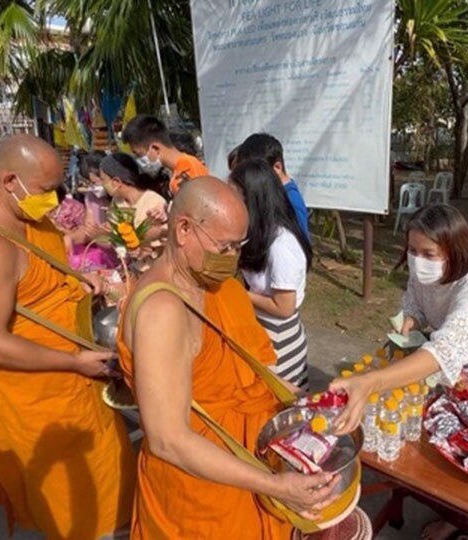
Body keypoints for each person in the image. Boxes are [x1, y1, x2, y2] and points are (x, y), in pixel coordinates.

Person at [118, 177, 339, 539]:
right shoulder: (162, 311)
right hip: (203, 486)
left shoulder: (215, 285)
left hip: (251, 459)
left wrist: (306, 403)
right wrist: (276, 486)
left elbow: (249, 372)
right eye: (225, 246)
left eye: (239, 246)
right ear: (184, 229)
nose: (233, 258)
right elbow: (167, 439)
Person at [0, 134, 135, 539]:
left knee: (111, 484)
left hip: (78, 382)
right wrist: (71, 361)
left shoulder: (28, 218)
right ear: (10, 180)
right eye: (46, 190)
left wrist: (79, 278)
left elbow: (39, 281)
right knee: (73, 509)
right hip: (41, 393)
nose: (54, 200)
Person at [330, 204, 468, 433]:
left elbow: (444, 352)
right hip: (466, 375)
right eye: (413, 251)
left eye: (428, 254)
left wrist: (371, 382)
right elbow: (415, 300)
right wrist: (411, 318)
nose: (417, 260)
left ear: (455, 251)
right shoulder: (427, 272)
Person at [230, 160, 313, 390]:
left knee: (277, 406)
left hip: (278, 338)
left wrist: (238, 292)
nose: (230, 202)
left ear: (253, 198)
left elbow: (284, 307)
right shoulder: (258, 233)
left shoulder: (281, 244)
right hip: (260, 328)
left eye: (234, 195)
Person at [234, 133, 311, 240]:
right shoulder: (275, 194)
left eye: (257, 171)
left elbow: (300, 244)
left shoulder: (290, 202)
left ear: (277, 167)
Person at [122, 115, 209, 196]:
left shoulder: (188, 169)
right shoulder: (176, 171)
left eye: (138, 154)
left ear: (154, 149)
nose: (138, 159)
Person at [99, 152, 167, 228]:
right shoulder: (117, 201)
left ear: (116, 182)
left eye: (103, 180)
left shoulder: (155, 203)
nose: (102, 184)